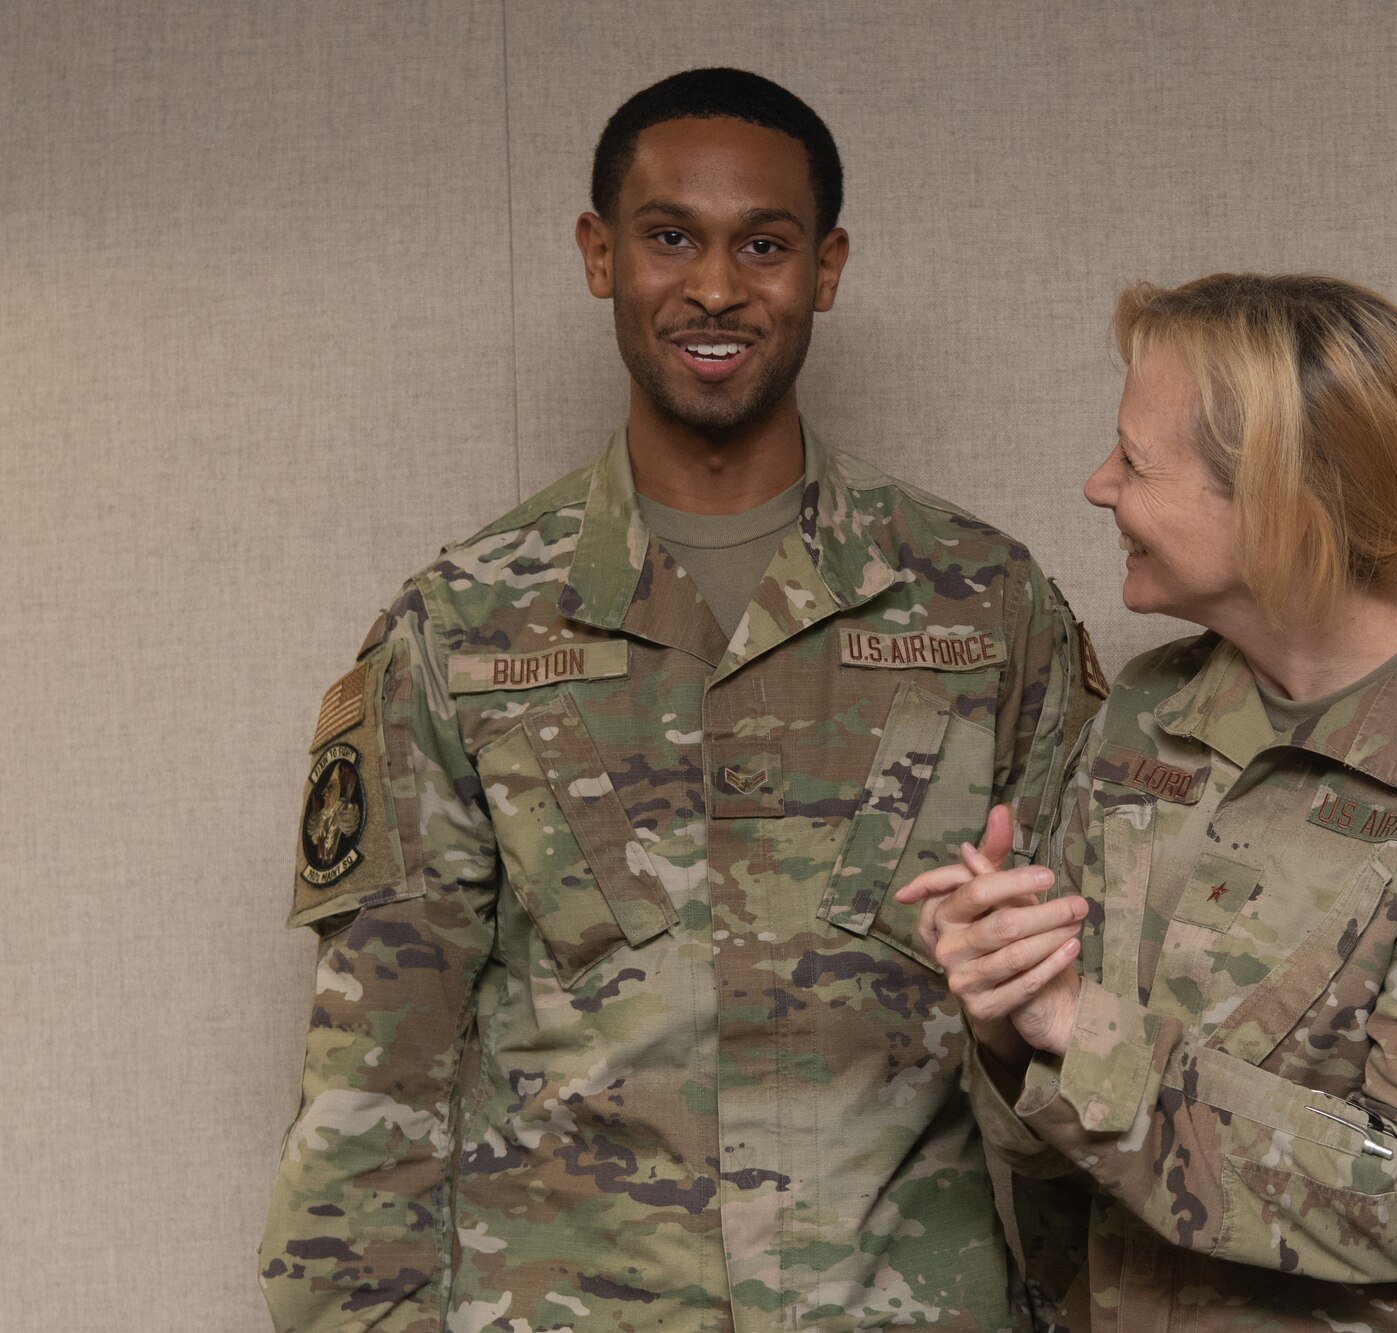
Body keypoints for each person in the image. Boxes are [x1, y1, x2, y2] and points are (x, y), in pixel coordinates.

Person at [259, 67, 1100, 1332]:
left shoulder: (984, 609)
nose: (714, 287)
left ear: (825, 268)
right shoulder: (464, 623)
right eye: (670, 238)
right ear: (600, 256)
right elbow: (376, 1064)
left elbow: (1093, 1028)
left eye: (763, 244)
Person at [899, 274, 1397, 1331]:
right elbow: (1062, 1146)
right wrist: (1009, 1012)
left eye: (1133, 460)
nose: (1094, 484)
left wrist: (1080, 1030)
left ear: (1270, 498)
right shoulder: (1148, 717)